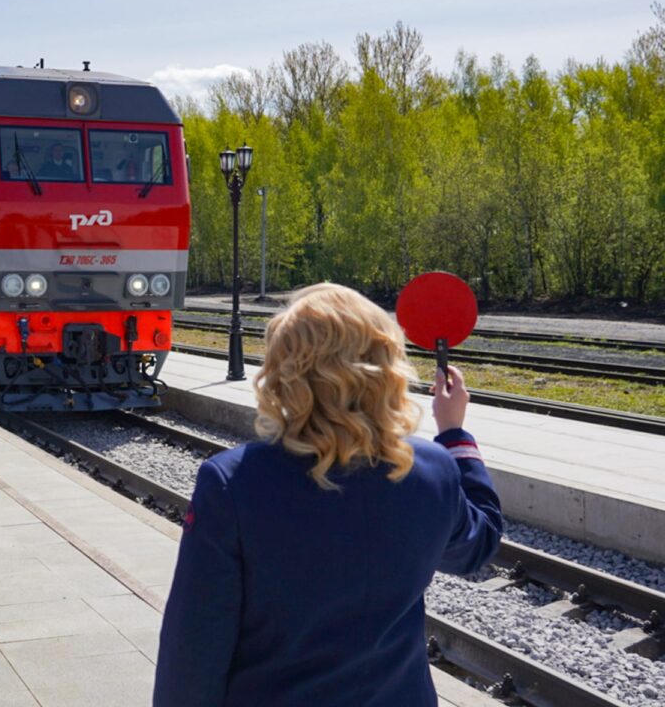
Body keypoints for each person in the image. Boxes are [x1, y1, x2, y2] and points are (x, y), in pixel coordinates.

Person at [153, 283, 503, 707]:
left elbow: (195, 646)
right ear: (386, 367)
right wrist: (455, 434)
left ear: (284, 372)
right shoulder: (432, 472)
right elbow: (475, 548)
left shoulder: (232, 483)